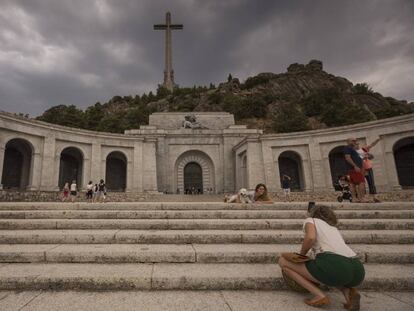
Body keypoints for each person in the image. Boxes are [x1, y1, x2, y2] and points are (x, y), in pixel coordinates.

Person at [278, 204, 365, 310]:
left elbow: (310, 237)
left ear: (314, 213)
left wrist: (301, 255)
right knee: (332, 273)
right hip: (357, 269)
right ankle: (349, 293)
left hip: (334, 264)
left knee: (283, 262)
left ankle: (320, 296)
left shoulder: (311, 220)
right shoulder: (333, 228)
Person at [344, 138, 367, 203]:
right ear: (348, 141)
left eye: (355, 141)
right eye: (353, 140)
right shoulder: (348, 148)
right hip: (354, 169)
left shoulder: (353, 149)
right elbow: (347, 157)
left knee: (352, 184)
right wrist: (355, 166)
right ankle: (362, 198)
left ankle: (354, 198)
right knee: (361, 182)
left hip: (352, 169)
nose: (355, 142)